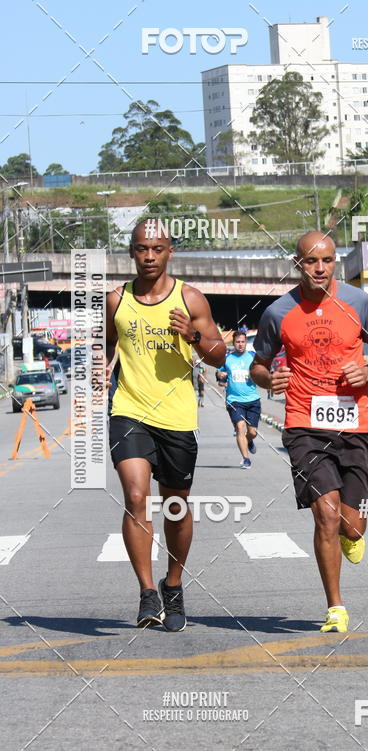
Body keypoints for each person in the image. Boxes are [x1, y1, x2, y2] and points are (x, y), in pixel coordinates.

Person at [250, 232, 368, 633]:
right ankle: (335, 606)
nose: (320, 268)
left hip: (356, 423)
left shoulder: (358, 302)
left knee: (351, 524)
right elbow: (257, 366)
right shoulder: (278, 312)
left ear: (335, 263)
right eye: (311, 261)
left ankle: (354, 531)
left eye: (327, 261)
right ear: (297, 265)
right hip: (304, 426)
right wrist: (269, 379)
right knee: (326, 516)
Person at [105, 220, 225, 631]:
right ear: (132, 252)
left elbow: (219, 355)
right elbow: (108, 343)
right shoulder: (116, 299)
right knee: (136, 496)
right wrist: (102, 367)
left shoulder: (189, 298)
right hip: (129, 409)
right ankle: (146, 592)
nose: (149, 256)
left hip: (176, 416)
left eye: (157, 248)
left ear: (169, 251)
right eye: (141, 249)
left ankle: (172, 583)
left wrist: (191, 335)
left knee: (175, 506)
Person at [216, 330, 261, 469]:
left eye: (242, 342)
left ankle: (249, 441)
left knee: (252, 432)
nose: (240, 345)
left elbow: (262, 371)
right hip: (234, 400)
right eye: (237, 342)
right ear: (233, 343)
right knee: (240, 427)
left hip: (252, 399)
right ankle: (246, 459)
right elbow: (219, 374)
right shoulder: (227, 358)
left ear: (246, 343)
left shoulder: (253, 357)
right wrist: (220, 375)